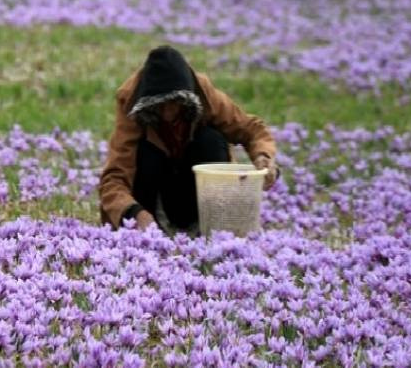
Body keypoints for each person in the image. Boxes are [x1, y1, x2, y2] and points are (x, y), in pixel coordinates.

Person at [98, 46, 278, 233]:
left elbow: (251, 129)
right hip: (154, 192)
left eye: (175, 103)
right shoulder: (131, 101)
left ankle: (209, 227)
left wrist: (263, 156)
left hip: (197, 189)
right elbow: (114, 176)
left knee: (211, 139)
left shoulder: (203, 93)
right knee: (144, 152)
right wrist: (134, 213)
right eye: (160, 106)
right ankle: (153, 231)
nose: (167, 112)